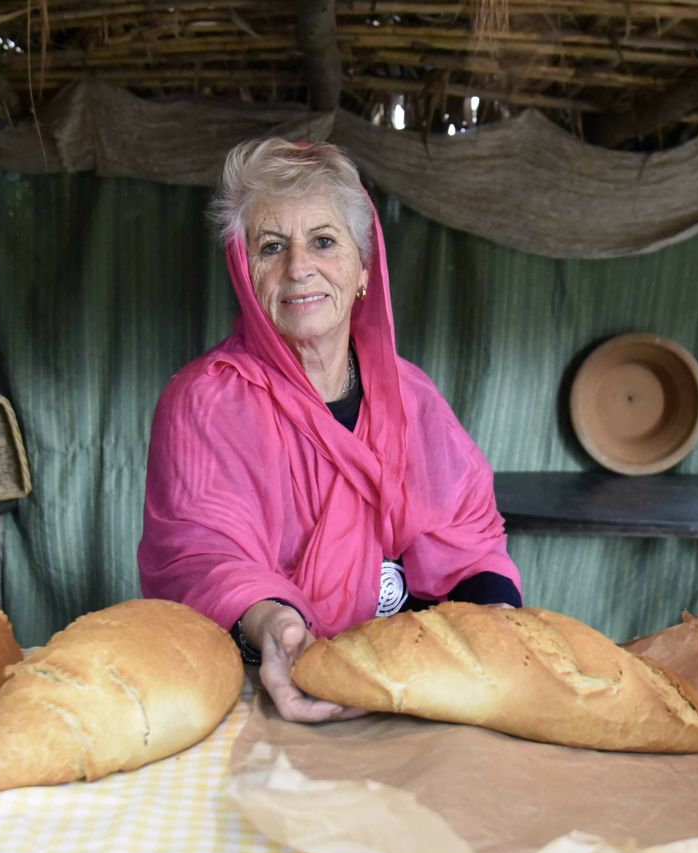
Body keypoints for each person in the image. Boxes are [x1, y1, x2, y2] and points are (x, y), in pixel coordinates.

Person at [138, 137, 521, 723]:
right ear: (245, 273)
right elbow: (202, 558)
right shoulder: (204, 403)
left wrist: (491, 636)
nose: (299, 268)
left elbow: (469, 540)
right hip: (270, 687)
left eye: (323, 241)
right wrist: (277, 629)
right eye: (271, 247)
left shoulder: (411, 396)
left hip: (418, 689)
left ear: (362, 268)